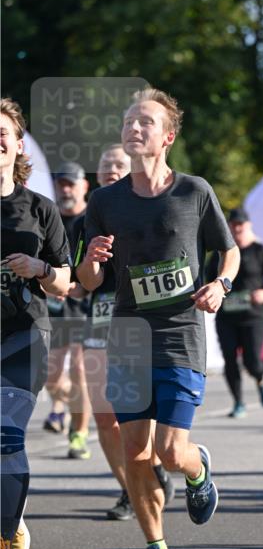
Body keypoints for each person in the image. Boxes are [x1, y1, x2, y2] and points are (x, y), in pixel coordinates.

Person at [77, 87, 240, 549]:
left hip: (180, 334)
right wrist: (92, 260)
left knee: (171, 451)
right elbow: (86, 281)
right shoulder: (104, 201)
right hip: (126, 334)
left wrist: (221, 283)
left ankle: (197, 469)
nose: (133, 128)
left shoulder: (193, 192)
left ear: (166, 136)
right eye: (128, 120)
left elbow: (228, 251)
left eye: (145, 121)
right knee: (135, 452)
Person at [77, 145, 175, 521]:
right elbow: (82, 281)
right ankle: (127, 489)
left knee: (134, 417)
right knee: (104, 417)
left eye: (116, 164)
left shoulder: (146, 211)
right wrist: (74, 275)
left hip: (138, 325)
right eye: (103, 166)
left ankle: (150, 469)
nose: (109, 171)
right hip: (100, 322)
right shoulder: (89, 217)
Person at [1, 98, 71, 549]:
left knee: (6, 434)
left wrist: (40, 268)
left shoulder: (40, 208)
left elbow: (67, 282)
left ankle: (1, 544)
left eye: (1, 131)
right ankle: (11, 513)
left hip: (23, 334)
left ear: (17, 144)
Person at [209, 207, 263, 418]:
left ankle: (260, 379)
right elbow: (206, 279)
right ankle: (238, 402)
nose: (237, 229)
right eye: (233, 226)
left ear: (248, 226)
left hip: (254, 316)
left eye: (241, 226)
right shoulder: (220, 255)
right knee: (230, 361)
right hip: (227, 317)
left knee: (252, 361)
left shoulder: (260, 251)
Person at [43, 161, 93, 460]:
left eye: (70, 183)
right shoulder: (50, 218)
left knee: (79, 370)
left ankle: (79, 433)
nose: (65, 189)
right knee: (49, 377)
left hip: (84, 305)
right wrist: (48, 286)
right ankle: (62, 408)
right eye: (61, 184)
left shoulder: (93, 219)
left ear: (84, 186)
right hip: (53, 305)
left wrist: (79, 287)